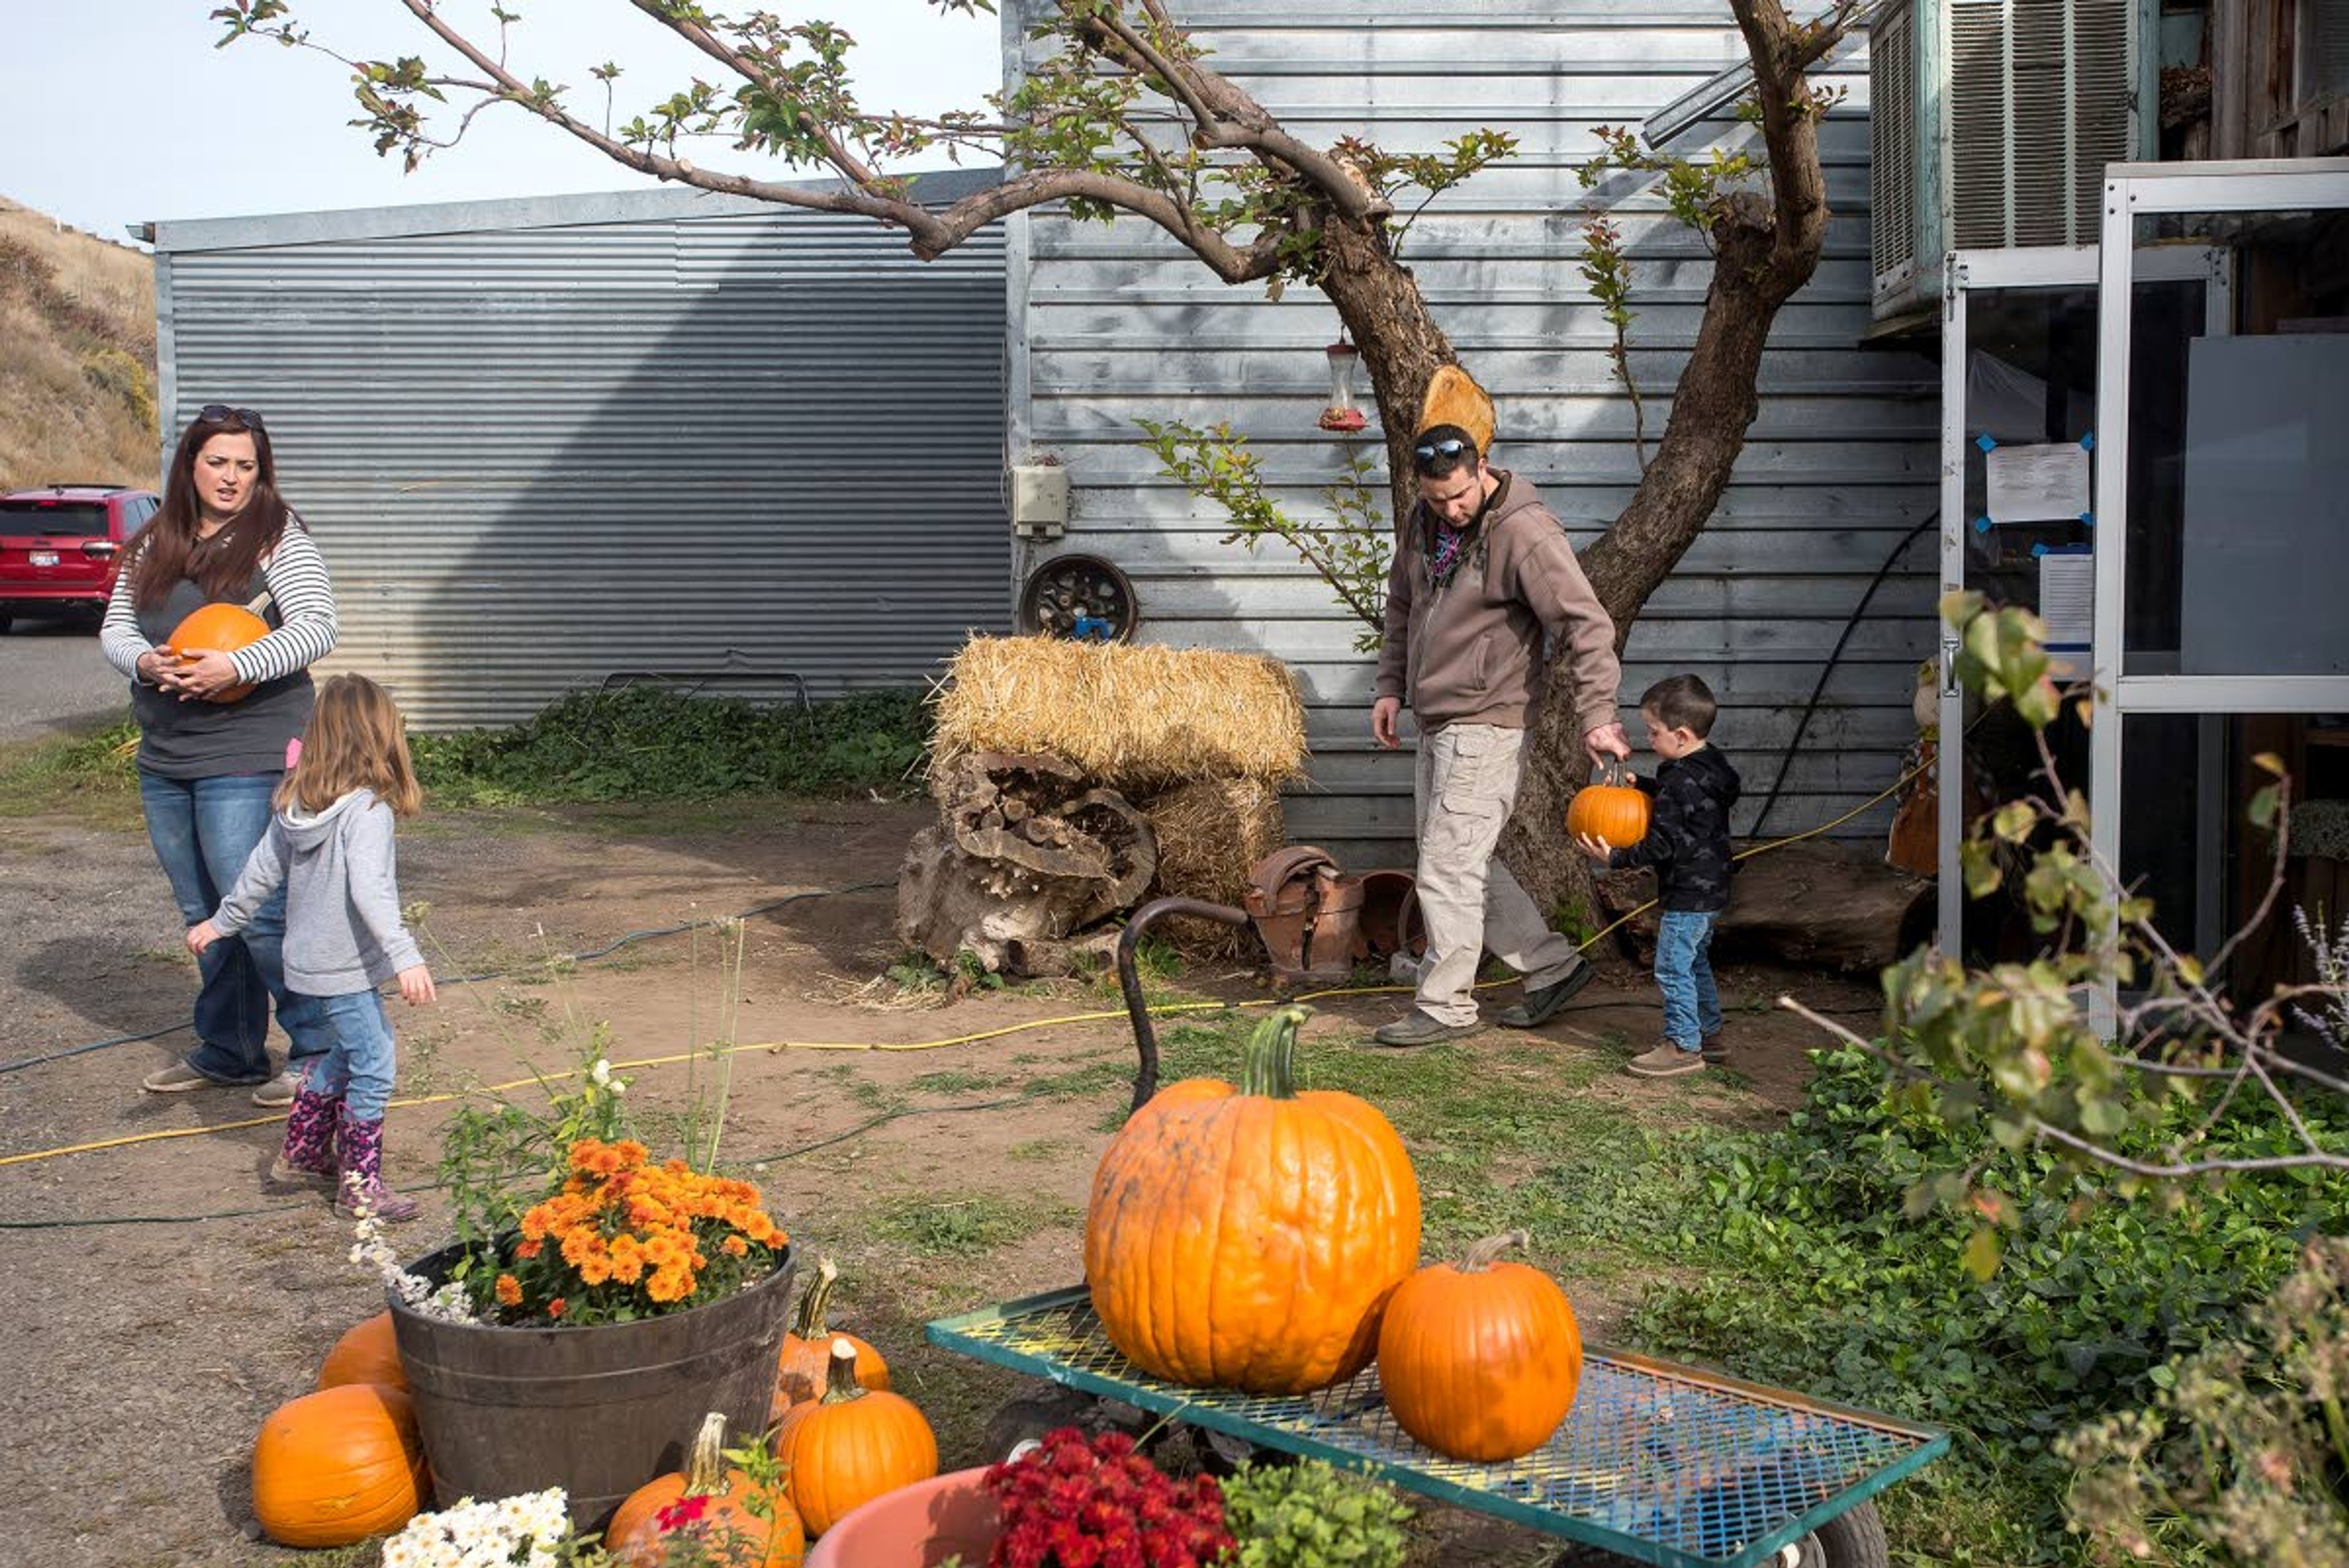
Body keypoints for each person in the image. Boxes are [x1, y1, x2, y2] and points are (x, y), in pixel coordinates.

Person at [1369, 370, 1631, 1047]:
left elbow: (1586, 623)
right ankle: (1551, 967)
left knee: (1447, 866)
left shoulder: (1525, 532)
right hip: (1435, 715)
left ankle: (1446, 1005)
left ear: (1481, 468)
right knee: (1460, 860)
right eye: (1436, 498)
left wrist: (1597, 712)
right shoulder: (1422, 519)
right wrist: (1389, 685)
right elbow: (1402, 603)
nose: (1450, 510)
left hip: (1489, 720)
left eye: (1458, 497)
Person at [101, 405, 340, 1106]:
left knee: (260, 907)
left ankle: (322, 1050)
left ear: (260, 472)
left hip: (251, 748)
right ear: (190, 466)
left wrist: (240, 667)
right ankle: (231, 1050)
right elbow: (116, 626)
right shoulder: (155, 540)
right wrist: (146, 663)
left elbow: (318, 626)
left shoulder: (277, 538)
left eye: (245, 464)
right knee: (204, 908)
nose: (231, 477)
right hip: (167, 753)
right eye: (218, 462)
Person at [188, 674, 436, 1220]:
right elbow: (373, 891)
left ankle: (303, 1151)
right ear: (379, 738)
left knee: (345, 1051)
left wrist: (221, 921)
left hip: (310, 963)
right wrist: (406, 956)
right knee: (375, 1061)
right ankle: (360, 1185)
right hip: (344, 965)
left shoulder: (297, 802)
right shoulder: (367, 812)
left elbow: (259, 870)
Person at [1575, 675, 1741, 1078]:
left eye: (1654, 731)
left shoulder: (1679, 782)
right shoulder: (1709, 765)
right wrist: (1647, 785)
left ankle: (1683, 1045)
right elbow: (1690, 800)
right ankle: (1709, 1034)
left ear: (1681, 735)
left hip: (1687, 891)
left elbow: (1662, 844)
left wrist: (1615, 857)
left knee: (1671, 966)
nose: (1649, 738)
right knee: (1694, 961)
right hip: (1714, 888)